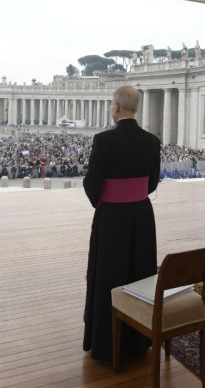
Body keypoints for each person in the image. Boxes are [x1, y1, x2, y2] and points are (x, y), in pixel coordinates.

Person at [82, 85, 160, 362]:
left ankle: (106, 343)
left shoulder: (104, 140)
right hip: (142, 215)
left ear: (116, 107)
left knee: (110, 275)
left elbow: (92, 181)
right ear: (135, 108)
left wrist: (106, 199)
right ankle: (138, 340)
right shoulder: (152, 140)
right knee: (139, 272)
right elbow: (152, 182)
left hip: (113, 217)